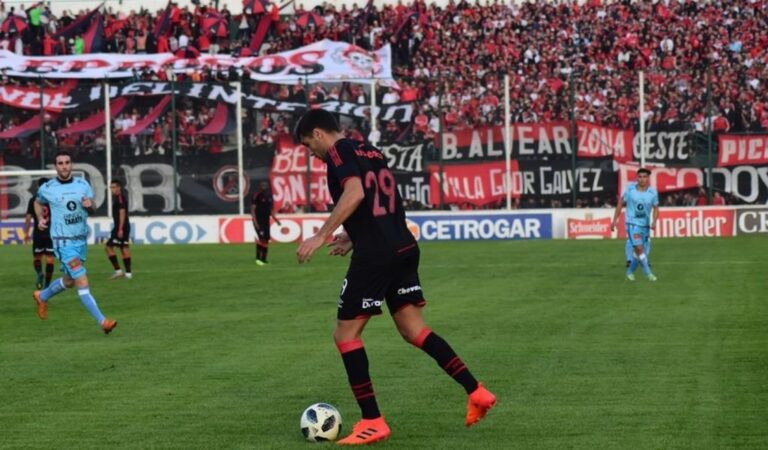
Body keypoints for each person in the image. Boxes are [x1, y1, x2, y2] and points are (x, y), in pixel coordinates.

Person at [294, 109, 496, 445]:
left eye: (307, 145)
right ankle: (476, 392)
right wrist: (352, 236)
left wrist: (323, 234)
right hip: (402, 246)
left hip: (376, 256)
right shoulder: (369, 150)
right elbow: (381, 204)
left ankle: (373, 421)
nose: (310, 154)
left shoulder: (337, 152)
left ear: (318, 134)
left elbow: (356, 193)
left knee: (345, 335)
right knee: (414, 329)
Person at [33, 151, 117, 335]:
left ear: (71, 165)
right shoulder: (48, 188)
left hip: (80, 242)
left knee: (69, 281)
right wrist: (40, 218)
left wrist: (90, 205)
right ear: (56, 166)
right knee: (81, 279)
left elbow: (93, 208)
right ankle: (103, 321)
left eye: (67, 162)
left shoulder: (83, 185)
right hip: (63, 243)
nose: (64, 166)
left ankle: (42, 296)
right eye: (60, 163)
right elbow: (37, 203)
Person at [611, 167, 659, 281]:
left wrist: (654, 221)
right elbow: (620, 204)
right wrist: (614, 220)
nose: (642, 179)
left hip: (645, 225)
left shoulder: (652, 193)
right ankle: (649, 274)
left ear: (648, 178)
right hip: (632, 224)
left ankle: (629, 272)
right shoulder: (630, 190)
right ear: (637, 178)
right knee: (639, 248)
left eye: (645, 177)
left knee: (641, 253)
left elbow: (656, 208)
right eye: (640, 177)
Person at [24, 178, 54, 289]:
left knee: (37, 258)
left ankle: (39, 273)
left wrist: (26, 233)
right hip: (51, 233)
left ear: (38, 186)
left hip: (38, 233)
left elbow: (28, 218)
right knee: (50, 259)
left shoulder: (33, 200)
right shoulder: (53, 200)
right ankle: (47, 284)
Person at [105, 180, 133, 280]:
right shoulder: (118, 198)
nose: (111, 189)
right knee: (123, 248)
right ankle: (128, 274)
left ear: (118, 188)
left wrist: (120, 229)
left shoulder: (120, 198)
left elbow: (122, 213)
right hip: (122, 226)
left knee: (108, 247)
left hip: (121, 227)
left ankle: (119, 271)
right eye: (110, 187)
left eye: (113, 187)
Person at [250, 180, 281, 265]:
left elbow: (270, 210)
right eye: (262, 185)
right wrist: (255, 222)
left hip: (266, 221)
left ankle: (264, 260)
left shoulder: (269, 196)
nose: (264, 186)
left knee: (266, 240)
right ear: (260, 186)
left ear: (267, 186)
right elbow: (252, 209)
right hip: (259, 222)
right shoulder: (256, 195)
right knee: (261, 239)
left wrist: (276, 220)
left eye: (265, 185)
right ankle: (258, 259)